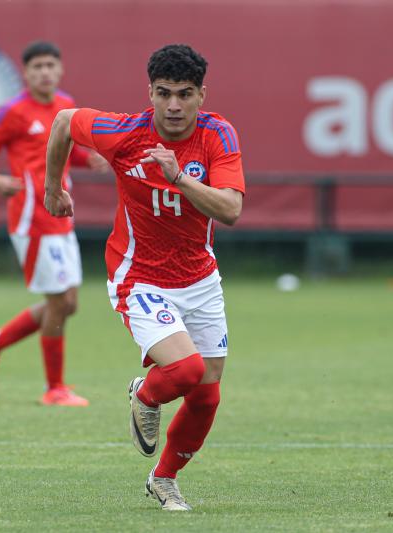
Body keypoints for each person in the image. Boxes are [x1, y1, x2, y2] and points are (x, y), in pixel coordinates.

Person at [43, 44, 244, 510]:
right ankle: (146, 395)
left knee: (207, 397)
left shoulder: (218, 135)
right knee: (186, 371)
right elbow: (62, 123)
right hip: (140, 276)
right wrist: (53, 187)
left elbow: (231, 209)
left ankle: (164, 478)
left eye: (185, 94)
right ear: (149, 93)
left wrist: (180, 179)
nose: (174, 105)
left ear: (202, 95)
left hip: (200, 277)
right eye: (164, 93)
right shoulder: (124, 132)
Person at [0, 41, 107, 407]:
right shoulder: (12, 112)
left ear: (60, 70)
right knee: (59, 301)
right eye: (37, 67)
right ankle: (54, 388)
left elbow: (64, 150)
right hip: (32, 220)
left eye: (50, 65)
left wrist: (86, 159)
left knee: (68, 303)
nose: (44, 72)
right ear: (25, 73)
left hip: (61, 216)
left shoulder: (65, 105)